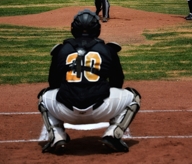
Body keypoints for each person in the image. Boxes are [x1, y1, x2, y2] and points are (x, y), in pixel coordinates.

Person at [38, 9, 141, 154]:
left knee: (43, 96)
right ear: (97, 29)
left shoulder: (61, 50)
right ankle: (113, 134)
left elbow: (53, 83)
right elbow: (117, 82)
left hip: (66, 111)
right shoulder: (108, 49)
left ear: (73, 28)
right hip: (101, 109)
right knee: (133, 97)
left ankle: (56, 136)